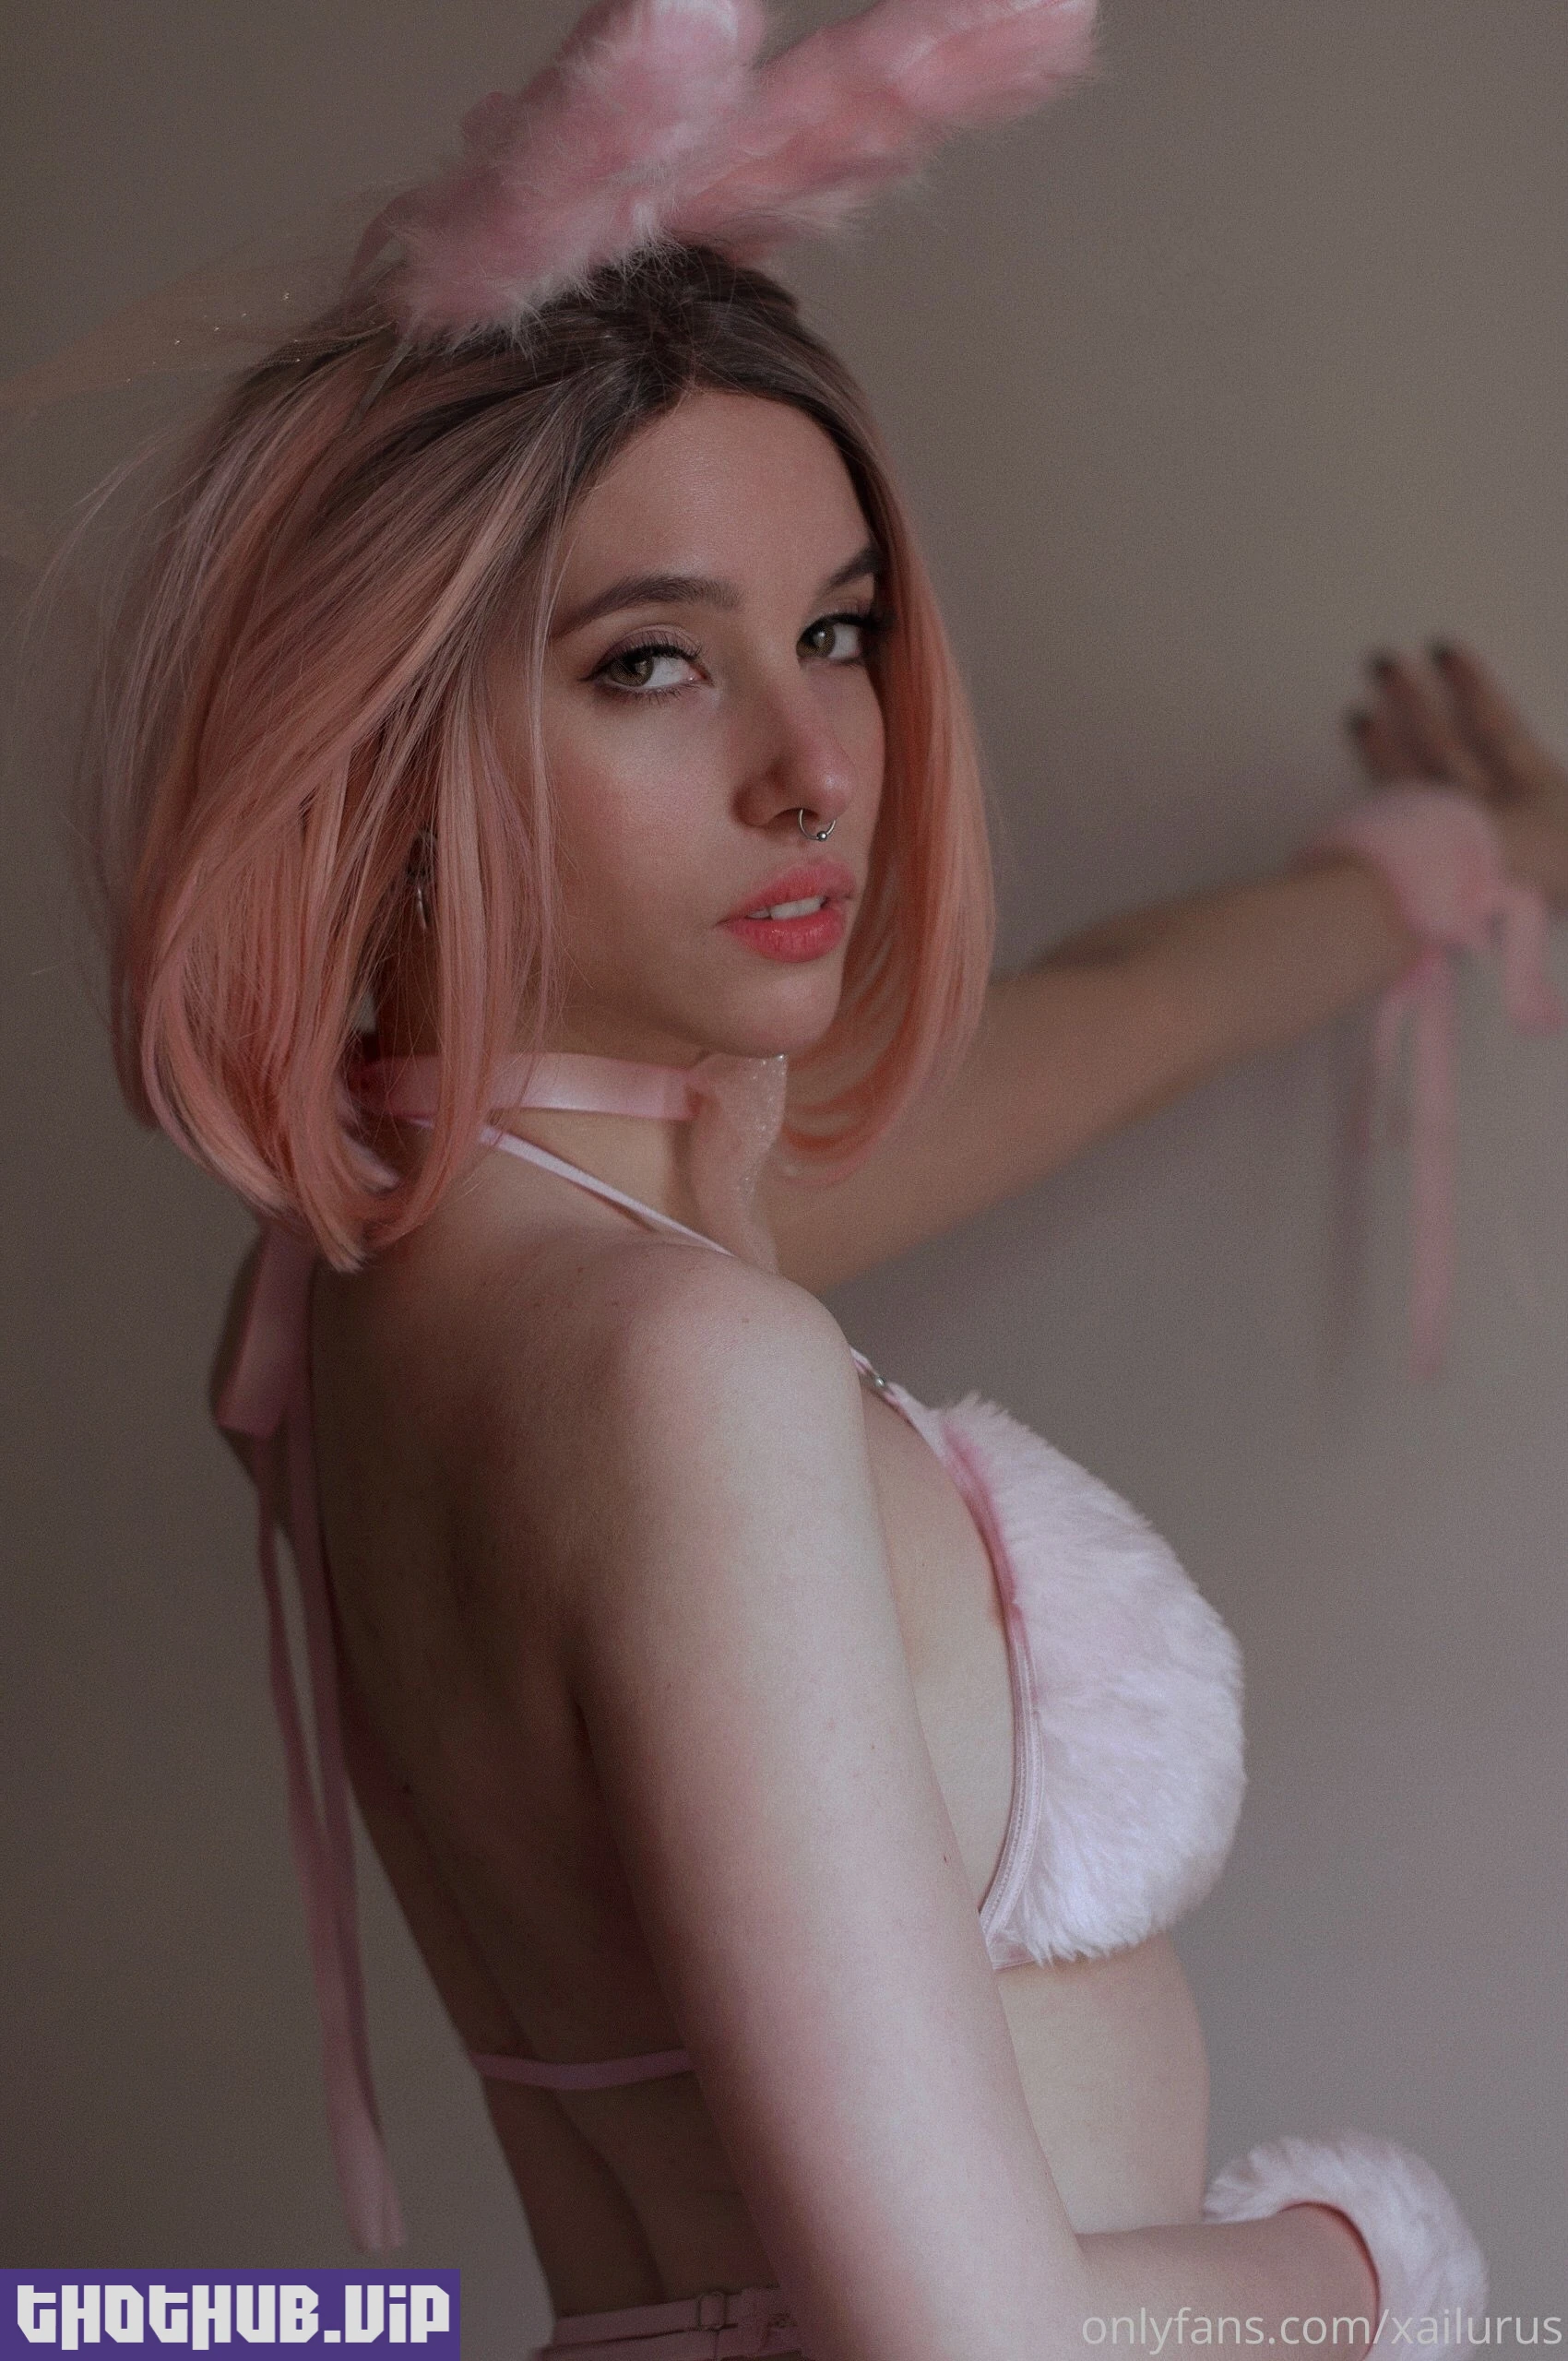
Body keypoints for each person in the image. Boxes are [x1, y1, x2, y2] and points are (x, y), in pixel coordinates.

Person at [78, 0, 1568, 2350]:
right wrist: (1389, 2265)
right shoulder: (679, 1361)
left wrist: (1450, 855)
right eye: (649, 665)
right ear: (386, 741)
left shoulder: (442, 1273)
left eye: (838, 632)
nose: (814, 767)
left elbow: (1102, 1023)